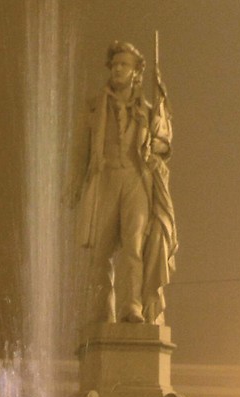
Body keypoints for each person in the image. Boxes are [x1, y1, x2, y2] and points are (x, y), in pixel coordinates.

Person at [73, 40, 176, 325]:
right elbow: (81, 150)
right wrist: (73, 186)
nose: (118, 69)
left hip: (135, 179)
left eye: (124, 65)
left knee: (134, 248)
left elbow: (165, 145)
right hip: (104, 179)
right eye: (115, 64)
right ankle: (101, 312)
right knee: (100, 254)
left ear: (136, 72)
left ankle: (132, 306)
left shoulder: (148, 109)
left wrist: (157, 145)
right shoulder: (94, 108)